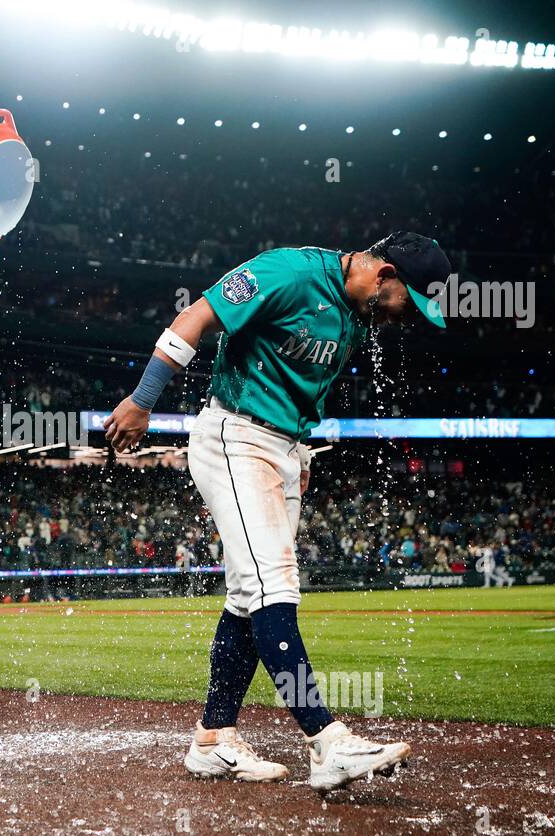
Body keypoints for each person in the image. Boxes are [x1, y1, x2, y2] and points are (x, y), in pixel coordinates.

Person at [106, 232, 449, 792]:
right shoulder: (287, 273)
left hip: (287, 450)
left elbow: (309, 387)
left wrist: (303, 448)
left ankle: (212, 739)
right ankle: (326, 741)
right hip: (235, 435)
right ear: (385, 274)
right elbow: (196, 316)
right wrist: (143, 399)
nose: (404, 317)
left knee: (248, 595)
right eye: (408, 302)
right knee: (274, 587)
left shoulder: (357, 314)